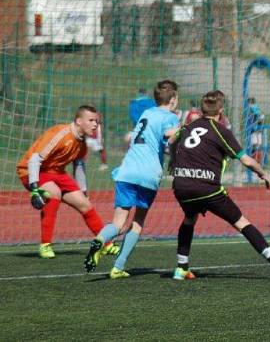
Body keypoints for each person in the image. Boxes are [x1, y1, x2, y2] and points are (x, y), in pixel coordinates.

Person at [169, 90, 270, 279]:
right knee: (241, 222)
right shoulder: (221, 131)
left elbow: (171, 140)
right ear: (221, 111)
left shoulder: (188, 127)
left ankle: (181, 268)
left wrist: (173, 161)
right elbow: (246, 160)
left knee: (189, 219)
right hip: (207, 188)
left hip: (181, 185)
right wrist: (264, 174)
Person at [85, 80, 181, 278]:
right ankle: (118, 267)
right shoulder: (171, 117)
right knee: (138, 221)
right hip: (148, 174)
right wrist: (181, 136)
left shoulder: (146, 113)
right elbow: (170, 135)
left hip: (126, 171)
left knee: (118, 224)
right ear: (172, 100)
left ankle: (101, 239)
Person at [17, 105, 113, 259]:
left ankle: (105, 244)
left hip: (57, 173)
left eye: (97, 121)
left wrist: (83, 192)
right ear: (79, 121)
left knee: (85, 204)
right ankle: (45, 245)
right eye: (91, 120)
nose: (95, 124)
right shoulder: (61, 134)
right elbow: (35, 159)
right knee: (54, 192)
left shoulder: (82, 142)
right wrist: (35, 189)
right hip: (32, 170)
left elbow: (79, 165)